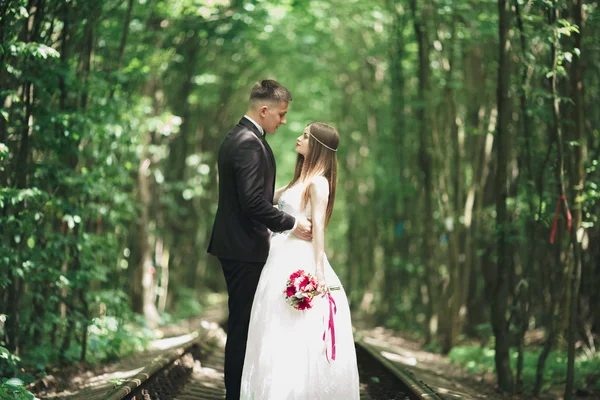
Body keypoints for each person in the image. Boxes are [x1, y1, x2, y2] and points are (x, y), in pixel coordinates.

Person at [207, 80, 312, 400]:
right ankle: (235, 394)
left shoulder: (240, 136)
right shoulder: (249, 143)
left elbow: (251, 194)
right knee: (243, 327)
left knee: (245, 324)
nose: (283, 121)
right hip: (243, 248)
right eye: (280, 114)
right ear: (264, 110)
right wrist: (292, 223)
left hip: (239, 246)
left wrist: (282, 194)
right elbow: (252, 204)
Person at [240, 122, 360, 399]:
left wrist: (318, 271)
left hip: (299, 259)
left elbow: (319, 227)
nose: (298, 138)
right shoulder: (297, 182)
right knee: (272, 327)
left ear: (317, 145)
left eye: (305, 136)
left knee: (297, 331)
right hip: (277, 258)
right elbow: (264, 201)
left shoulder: (319, 183)